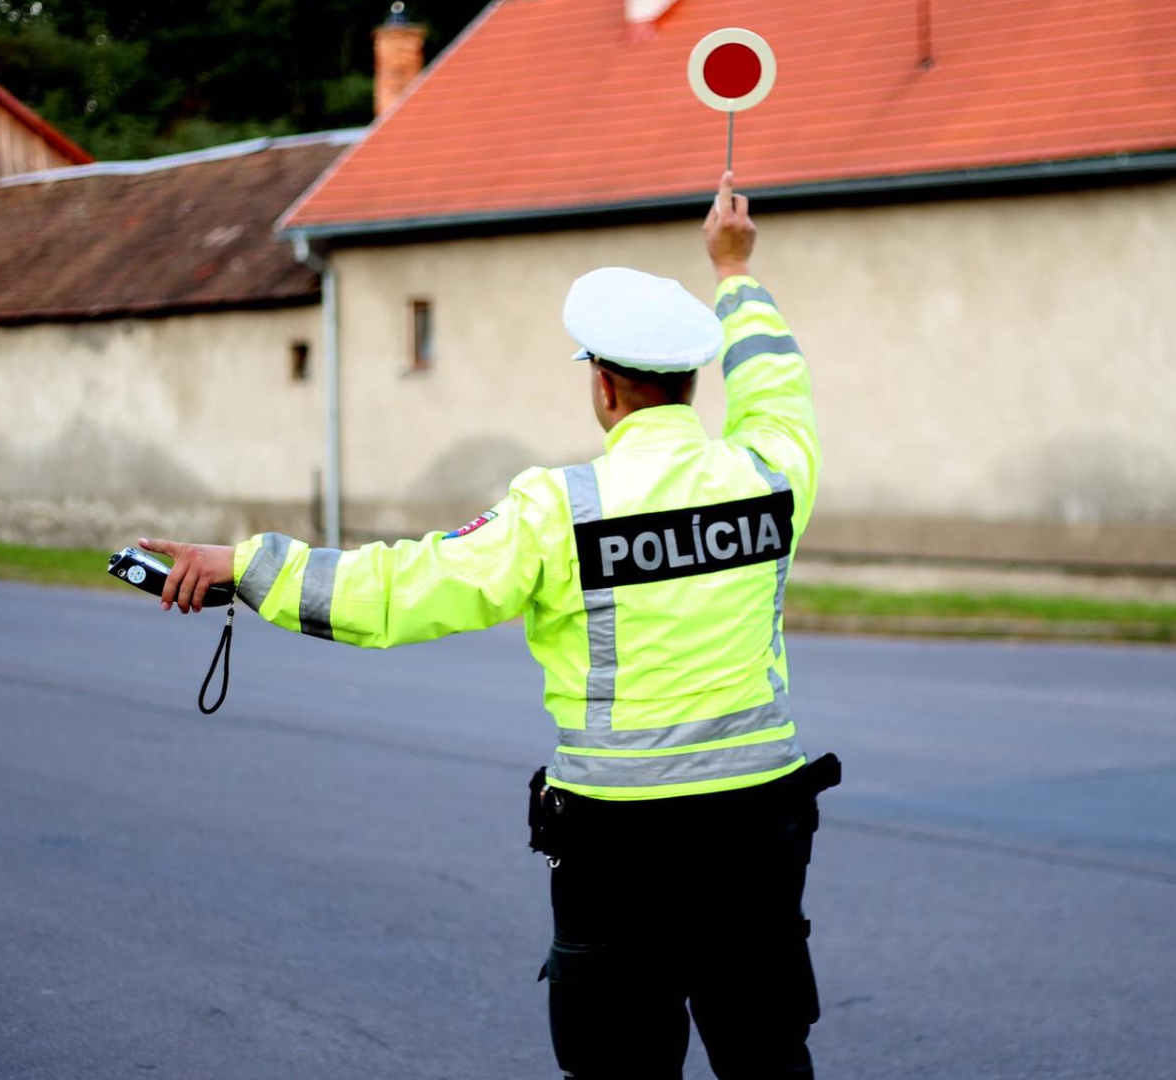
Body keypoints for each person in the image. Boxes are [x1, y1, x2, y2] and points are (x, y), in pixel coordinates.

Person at [141, 170, 836, 1080]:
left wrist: (246, 566)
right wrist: (735, 273)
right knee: (768, 1057)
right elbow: (778, 381)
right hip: (758, 832)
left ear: (605, 386)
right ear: (690, 382)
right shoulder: (771, 474)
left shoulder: (561, 508)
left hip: (620, 846)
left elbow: (401, 590)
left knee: (621, 1067)